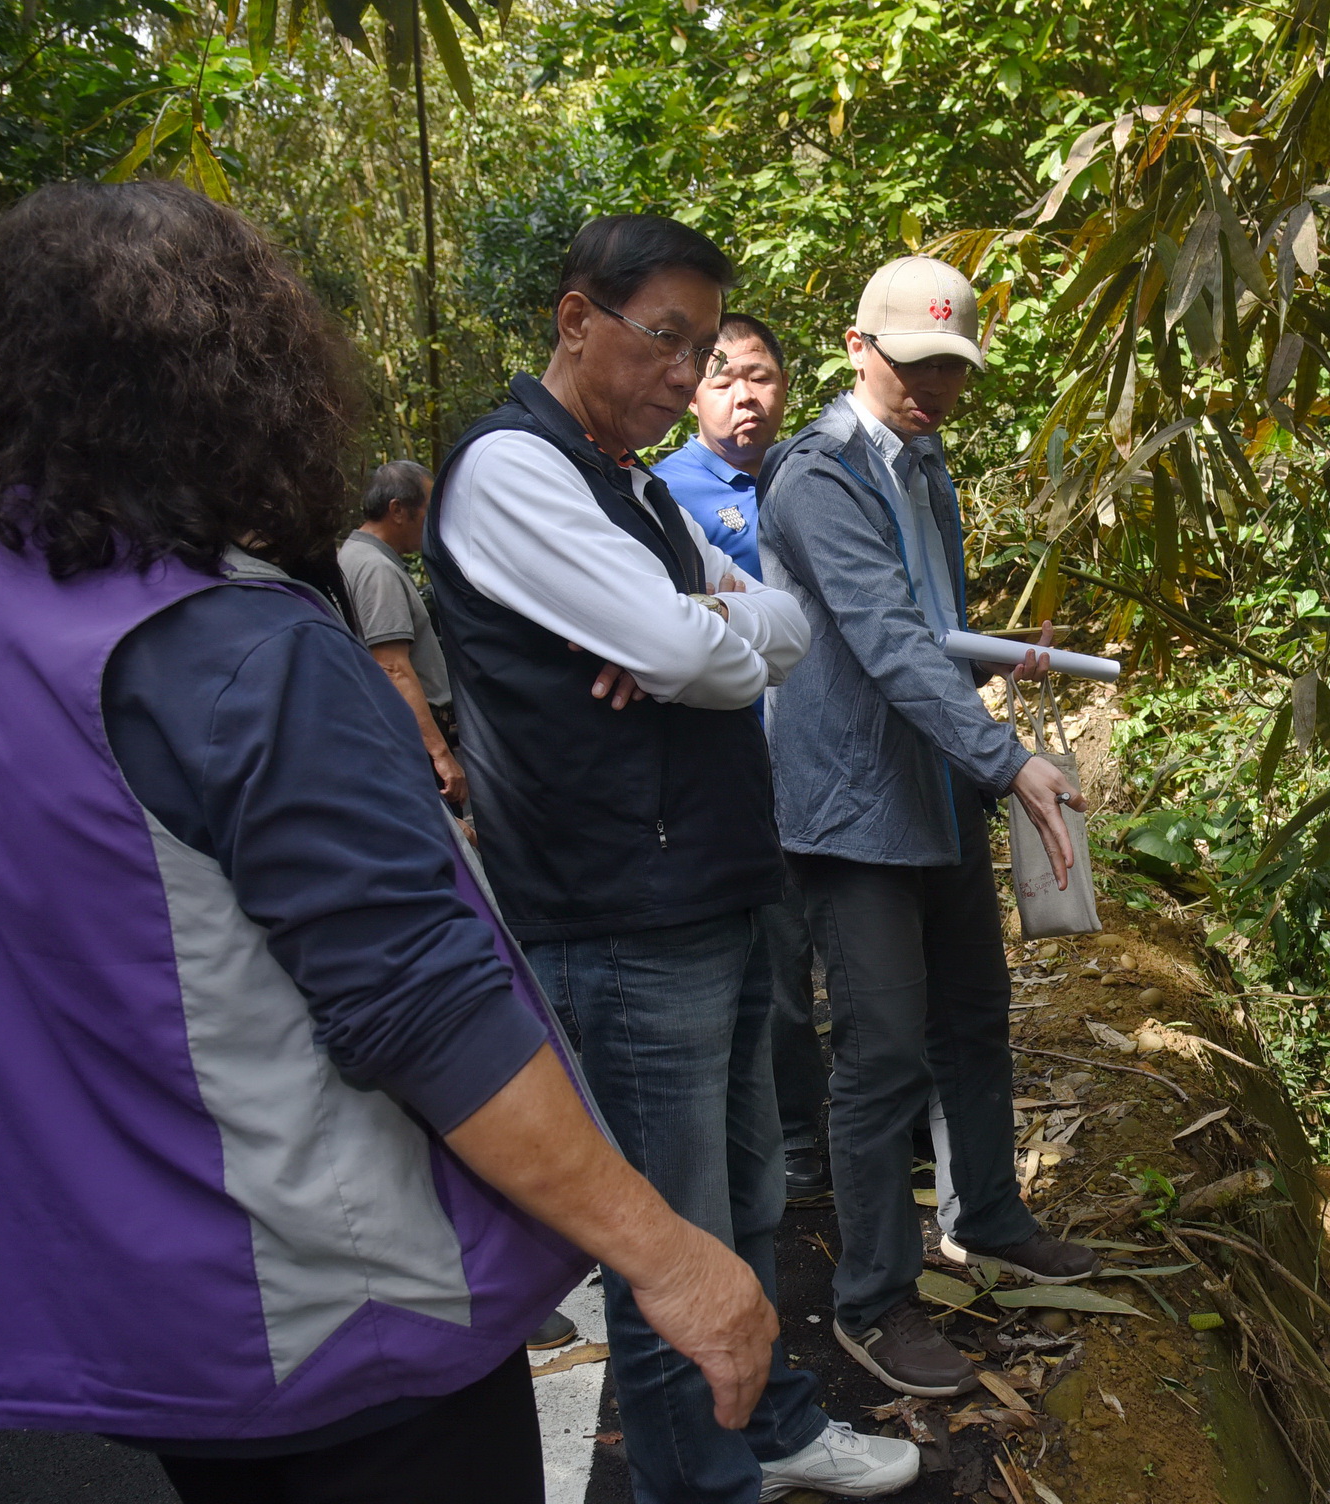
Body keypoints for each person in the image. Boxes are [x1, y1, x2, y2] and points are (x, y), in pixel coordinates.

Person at [0, 181, 777, 1504]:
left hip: (135, 1296)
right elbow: (419, 999)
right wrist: (667, 1254)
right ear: (249, 381)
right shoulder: (236, 651)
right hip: (333, 1302)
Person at [426, 214, 916, 1503]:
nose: (689, 375)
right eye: (667, 339)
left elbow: (779, 627)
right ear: (576, 319)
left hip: (711, 884)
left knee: (747, 1193)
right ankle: (705, 1482)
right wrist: (694, 634)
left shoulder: (632, 484)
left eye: (702, 347)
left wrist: (694, 625)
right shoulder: (513, 471)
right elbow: (703, 651)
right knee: (669, 1240)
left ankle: (771, 1426)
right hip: (618, 912)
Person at [760, 257, 1098, 1399]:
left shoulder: (928, 463)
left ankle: (989, 1215)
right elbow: (888, 638)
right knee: (884, 1056)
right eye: (915, 366)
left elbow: (940, 632)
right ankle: (873, 1301)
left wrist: (1008, 667)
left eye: (953, 368)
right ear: (858, 347)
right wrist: (1010, 763)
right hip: (857, 813)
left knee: (974, 1020)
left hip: (939, 789)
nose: (935, 387)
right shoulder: (814, 480)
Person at [653, 314, 831, 1203]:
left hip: (840, 754)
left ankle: (879, 1119)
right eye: (721, 378)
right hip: (751, 764)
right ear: (691, 391)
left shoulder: (815, 476)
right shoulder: (666, 491)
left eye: (759, 376)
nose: (743, 395)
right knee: (780, 958)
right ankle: (796, 1140)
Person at [340, 459, 468, 806]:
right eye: (427, 512)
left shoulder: (355, 557)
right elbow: (392, 666)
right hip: (413, 737)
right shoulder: (375, 568)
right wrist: (441, 754)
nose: (433, 524)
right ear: (397, 510)